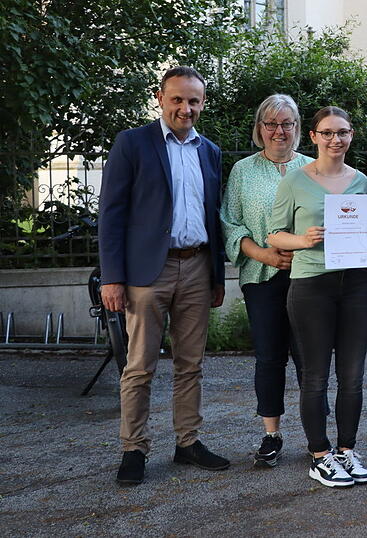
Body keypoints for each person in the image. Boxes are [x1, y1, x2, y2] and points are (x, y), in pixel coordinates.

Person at [99, 66, 228, 485]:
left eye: (193, 100)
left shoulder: (209, 150)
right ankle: (133, 449)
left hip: (197, 267)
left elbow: (214, 216)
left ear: (202, 103)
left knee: (191, 364)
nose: (185, 108)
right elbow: (112, 214)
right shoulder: (133, 144)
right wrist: (112, 277)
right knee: (139, 366)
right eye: (177, 99)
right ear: (160, 98)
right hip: (145, 273)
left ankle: (187, 443)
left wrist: (216, 277)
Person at [267, 106, 367, 488]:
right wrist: (303, 240)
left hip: (354, 286)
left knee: (353, 376)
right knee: (315, 376)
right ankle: (320, 455)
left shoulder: (362, 181)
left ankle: (347, 450)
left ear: (351, 136)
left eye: (343, 132)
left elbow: (364, 232)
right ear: (313, 136)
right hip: (311, 285)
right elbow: (274, 234)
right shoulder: (295, 181)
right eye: (328, 133)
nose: (336, 140)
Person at [220, 94, 311, 468]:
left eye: (286, 123)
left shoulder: (313, 167)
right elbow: (230, 222)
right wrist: (265, 254)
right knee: (269, 357)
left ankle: (316, 435)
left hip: (309, 276)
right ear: (259, 129)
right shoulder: (243, 171)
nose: (279, 131)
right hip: (262, 275)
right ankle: (271, 434)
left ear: (297, 128)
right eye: (271, 123)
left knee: (311, 358)